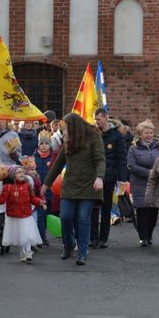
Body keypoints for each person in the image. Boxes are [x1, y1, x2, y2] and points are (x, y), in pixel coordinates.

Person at [42, 113, 106, 265]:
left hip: (88, 185)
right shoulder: (68, 141)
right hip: (70, 185)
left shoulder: (94, 137)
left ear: (75, 126)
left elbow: (100, 159)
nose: (65, 130)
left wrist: (99, 177)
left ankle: (82, 252)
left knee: (83, 219)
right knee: (65, 217)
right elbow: (58, 163)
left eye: (68, 127)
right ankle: (68, 245)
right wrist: (46, 184)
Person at [90, 108, 128, 248]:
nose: (96, 122)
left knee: (106, 208)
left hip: (109, 177)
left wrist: (122, 179)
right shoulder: (93, 133)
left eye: (98, 119)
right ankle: (92, 237)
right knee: (93, 208)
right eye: (94, 119)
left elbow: (121, 159)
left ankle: (103, 238)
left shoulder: (117, 136)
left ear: (106, 118)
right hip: (93, 178)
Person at [0, 165, 45, 263]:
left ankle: (28, 252)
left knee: (28, 234)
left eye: (22, 172)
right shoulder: (8, 187)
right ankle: (23, 252)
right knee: (21, 236)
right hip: (15, 216)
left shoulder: (27, 185)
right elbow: (1, 200)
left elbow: (32, 198)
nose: (21, 174)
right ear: (13, 175)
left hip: (27, 215)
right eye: (18, 172)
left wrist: (40, 202)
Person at [127, 121, 159, 246]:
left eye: (151, 133)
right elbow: (131, 165)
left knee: (153, 212)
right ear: (140, 135)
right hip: (139, 183)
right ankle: (143, 236)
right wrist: (148, 172)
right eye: (146, 133)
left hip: (156, 184)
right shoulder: (133, 148)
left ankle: (149, 234)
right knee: (142, 211)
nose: (149, 135)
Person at [34, 130, 53, 246]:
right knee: (40, 213)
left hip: (50, 189)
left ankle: (43, 232)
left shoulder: (52, 158)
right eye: (42, 143)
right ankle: (41, 237)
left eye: (46, 143)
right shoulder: (34, 157)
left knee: (47, 213)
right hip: (39, 190)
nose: (44, 146)